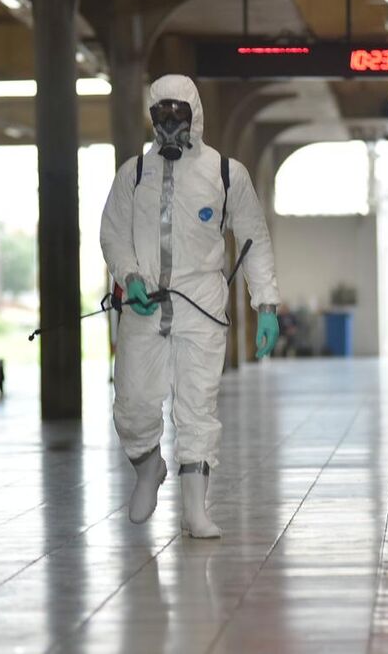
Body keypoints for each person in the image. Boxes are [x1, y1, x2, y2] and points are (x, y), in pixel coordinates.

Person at [100, 74, 280, 539]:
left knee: (197, 407)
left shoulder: (226, 174)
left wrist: (266, 305)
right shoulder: (133, 173)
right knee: (133, 406)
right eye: (162, 115)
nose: (171, 124)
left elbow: (254, 239)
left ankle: (195, 509)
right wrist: (129, 275)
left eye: (179, 113)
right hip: (143, 309)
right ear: (152, 117)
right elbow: (112, 233)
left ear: (195, 114)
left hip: (200, 307)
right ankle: (147, 470)